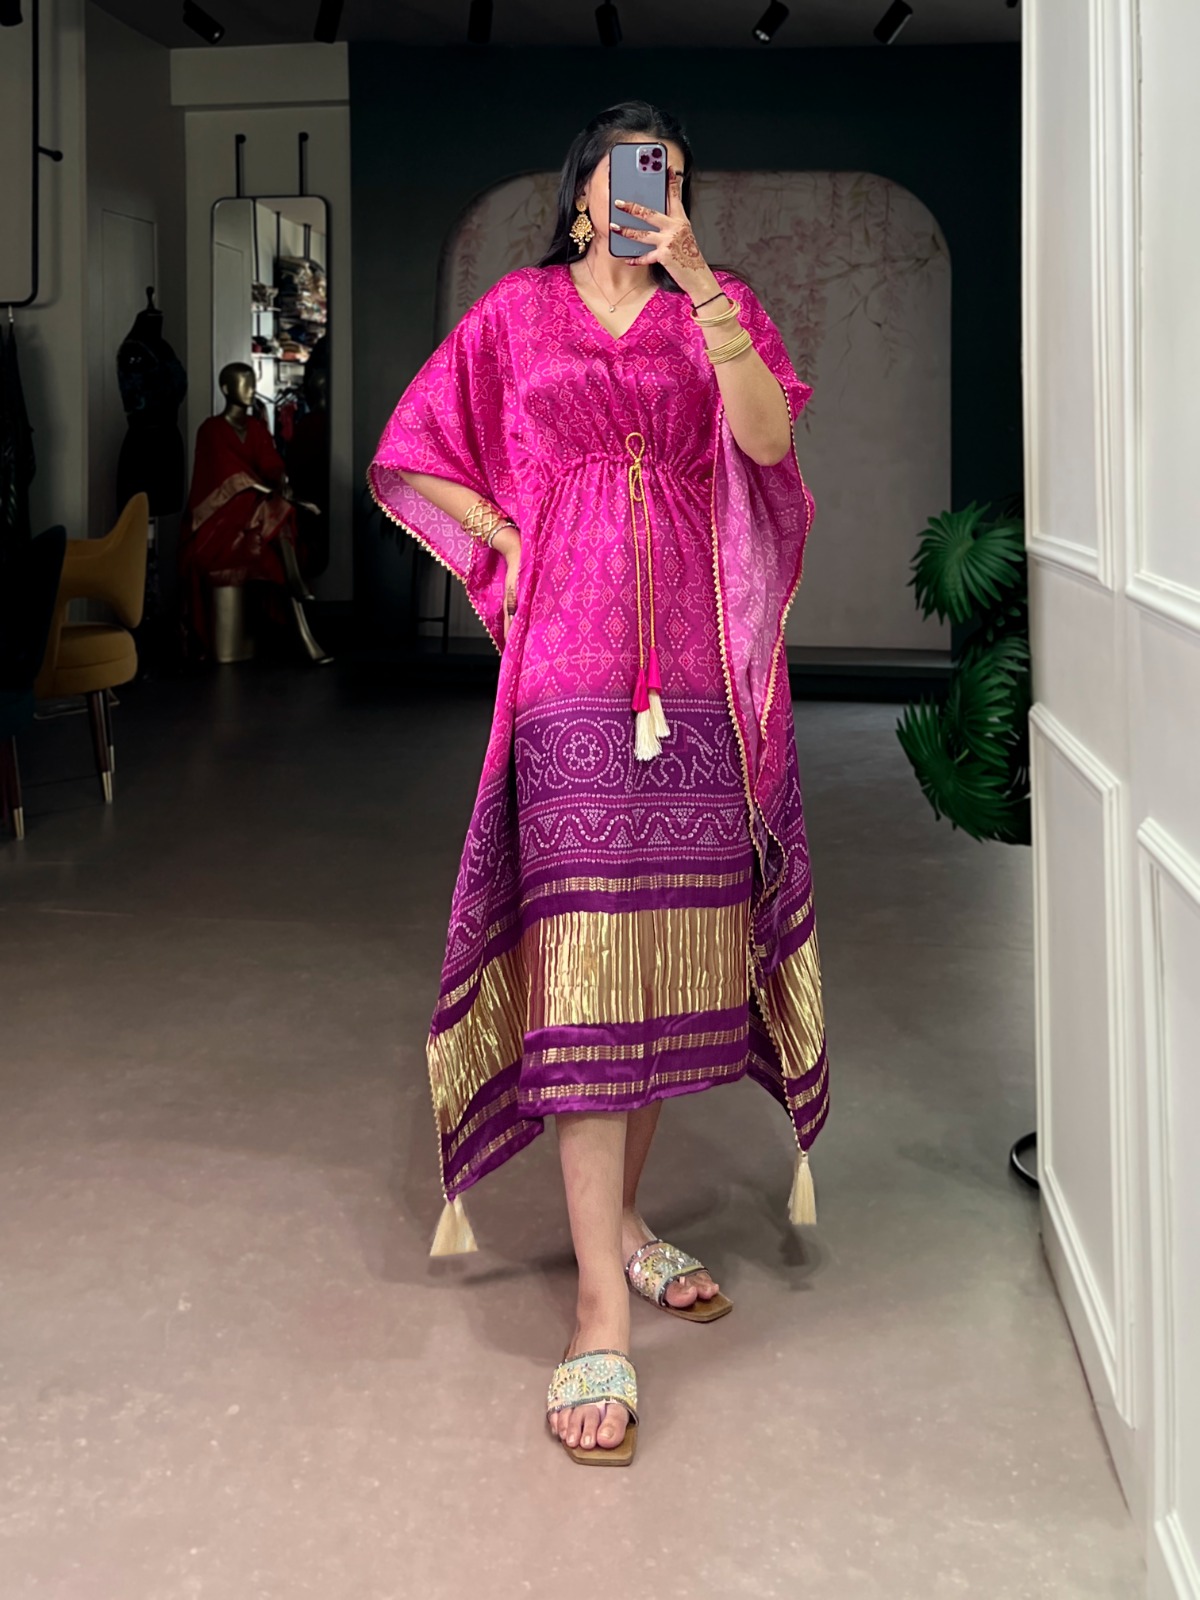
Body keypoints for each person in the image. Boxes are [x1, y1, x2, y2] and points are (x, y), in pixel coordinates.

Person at [368, 101, 829, 1466]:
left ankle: (623, 1225)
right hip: (569, 669)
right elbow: (414, 443)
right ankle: (595, 1313)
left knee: (664, 953)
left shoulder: (711, 308)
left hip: (692, 671)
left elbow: (766, 446)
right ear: (584, 194)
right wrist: (506, 536)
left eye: (674, 180)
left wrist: (700, 281)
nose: (653, 194)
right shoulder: (517, 314)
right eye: (635, 176)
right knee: (582, 963)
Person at [180, 362, 329, 663]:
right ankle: (296, 587)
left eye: (252, 383)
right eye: (244, 383)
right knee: (273, 509)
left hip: (253, 515)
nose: (251, 390)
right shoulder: (211, 429)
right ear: (226, 389)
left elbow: (270, 463)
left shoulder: (257, 428)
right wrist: (268, 491)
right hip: (219, 518)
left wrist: (281, 480)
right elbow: (226, 476)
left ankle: (296, 598)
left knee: (275, 510)